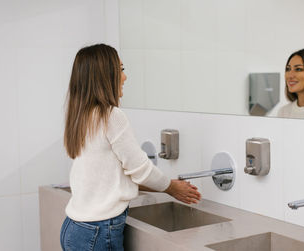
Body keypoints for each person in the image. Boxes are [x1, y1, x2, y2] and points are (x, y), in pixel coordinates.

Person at [60, 44, 201, 251]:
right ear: (105, 76)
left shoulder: (83, 117)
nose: (125, 77)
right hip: (98, 233)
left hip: (74, 229)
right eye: (121, 70)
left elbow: (115, 176)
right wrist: (171, 188)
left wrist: (167, 187)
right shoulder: (111, 116)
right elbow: (141, 170)